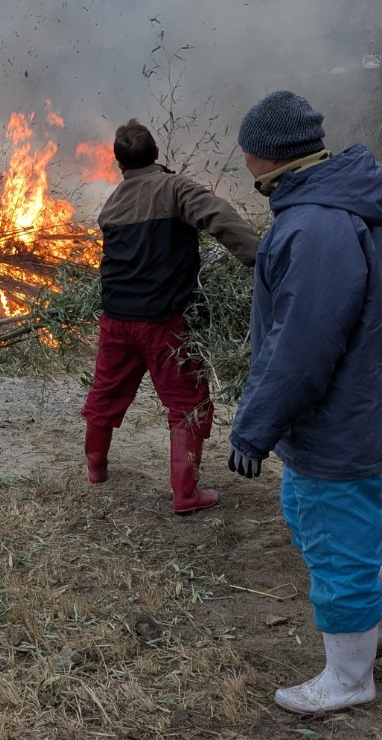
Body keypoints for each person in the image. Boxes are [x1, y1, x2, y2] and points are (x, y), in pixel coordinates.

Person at [229, 90, 382, 715]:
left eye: (246, 152)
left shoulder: (313, 224)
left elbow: (301, 347)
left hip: (333, 416)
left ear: (265, 155)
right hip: (350, 407)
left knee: (335, 538)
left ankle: (348, 678)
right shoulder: (335, 198)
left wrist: (255, 425)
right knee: (325, 520)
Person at [81, 118, 260, 514]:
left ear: (118, 164)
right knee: (187, 403)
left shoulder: (112, 205)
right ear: (157, 154)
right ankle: (186, 494)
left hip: (115, 319)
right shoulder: (175, 187)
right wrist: (264, 261)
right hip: (162, 322)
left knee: (106, 393)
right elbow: (221, 218)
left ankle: (96, 469)